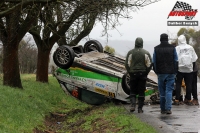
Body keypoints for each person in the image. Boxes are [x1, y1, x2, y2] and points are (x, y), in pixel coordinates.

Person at [125, 37, 152, 113]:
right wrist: (146, 72)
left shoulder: (130, 52)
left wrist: (130, 72)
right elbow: (149, 64)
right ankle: (140, 108)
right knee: (141, 91)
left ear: (135, 43)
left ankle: (133, 105)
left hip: (133, 73)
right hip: (142, 74)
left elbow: (127, 64)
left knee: (132, 90)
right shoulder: (146, 53)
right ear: (142, 43)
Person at [153, 33, 178, 114]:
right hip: (171, 72)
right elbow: (175, 60)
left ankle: (162, 109)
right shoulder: (172, 48)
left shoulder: (156, 49)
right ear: (167, 39)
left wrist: (156, 71)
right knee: (169, 91)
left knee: (162, 91)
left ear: (160, 39)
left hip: (160, 72)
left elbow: (154, 62)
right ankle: (168, 109)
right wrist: (175, 71)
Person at [174, 34, 198, 105]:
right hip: (189, 69)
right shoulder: (190, 47)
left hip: (179, 69)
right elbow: (194, 59)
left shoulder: (177, 48)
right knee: (189, 84)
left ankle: (177, 99)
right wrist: (192, 69)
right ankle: (189, 99)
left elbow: (175, 59)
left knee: (178, 84)